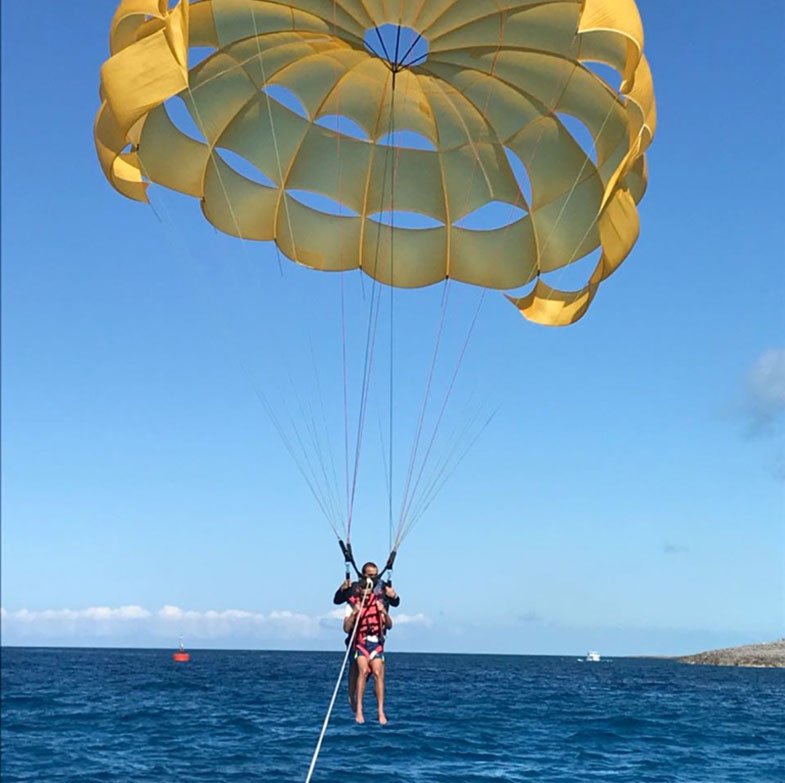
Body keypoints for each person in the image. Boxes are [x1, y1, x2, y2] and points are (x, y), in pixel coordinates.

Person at [343, 566, 393, 724]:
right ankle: (359, 709)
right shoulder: (352, 605)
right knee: (362, 671)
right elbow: (346, 628)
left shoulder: (379, 603)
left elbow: (389, 625)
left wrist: (383, 612)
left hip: (376, 643)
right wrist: (354, 614)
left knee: (378, 673)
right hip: (361, 643)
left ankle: (380, 711)